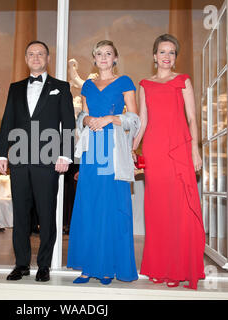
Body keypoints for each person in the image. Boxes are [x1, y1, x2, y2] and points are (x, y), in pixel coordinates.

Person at [0, 40, 75, 282]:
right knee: (20, 214)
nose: (36, 57)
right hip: (19, 159)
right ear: (26, 58)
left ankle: (44, 265)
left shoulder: (60, 87)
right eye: (31, 54)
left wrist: (65, 154)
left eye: (40, 54)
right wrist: (2, 154)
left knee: (46, 213)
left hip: (49, 160)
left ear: (48, 58)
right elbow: (7, 120)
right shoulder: (15, 87)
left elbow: (68, 123)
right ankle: (21, 264)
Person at [133, 34, 205, 290]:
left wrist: (195, 151)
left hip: (179, 150)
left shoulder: (183, 80)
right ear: (154, 56)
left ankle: (178, 268)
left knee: (179, 210)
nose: (167, 56)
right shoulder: (144, 84)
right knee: (157, 211)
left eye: (171, 52)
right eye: (162, 52)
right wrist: (132, 149)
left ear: (175, 57)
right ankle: (159, 266)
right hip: (154, 152)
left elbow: (192, 118)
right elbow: (142, 120)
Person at [67, 40, 139, 285]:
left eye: (109, 53)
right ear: (94, 59)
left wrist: (109, 118)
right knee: (89, 205)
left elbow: (134, 120)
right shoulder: (87, 84)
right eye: (99, 54)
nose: (104, 57)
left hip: (114, 148)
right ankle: (88, 267)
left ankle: (107, 266)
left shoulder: (125, 82)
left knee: (109, 206)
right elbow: (83, 116)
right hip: (92, 150)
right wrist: (87, 121)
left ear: (115, 58)